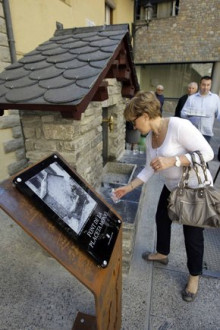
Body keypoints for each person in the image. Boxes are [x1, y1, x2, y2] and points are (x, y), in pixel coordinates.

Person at [114, 91, 214, 302]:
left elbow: (207, 154)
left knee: (192, 236)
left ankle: (194, 277)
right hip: (172, 187)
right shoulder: (150, 138)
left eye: (134, 121)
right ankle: (162, 253)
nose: (134, 126)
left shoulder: (178, 126)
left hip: (193, 189)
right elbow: (149, 169)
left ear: (145, 115)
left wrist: (173, 161)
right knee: (161, 217)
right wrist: (129, 187)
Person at [181, 76, 220, 143]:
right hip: (192, 132)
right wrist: (189, 114)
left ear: (211, 85)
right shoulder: (191, 98)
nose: (206, 87)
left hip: (207, 133)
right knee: (190, 152)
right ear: (200, 84)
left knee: (204, 153)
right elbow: (182, 113)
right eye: (203, 85)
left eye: (208, 85)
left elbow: (219, 114)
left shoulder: (215, 98)